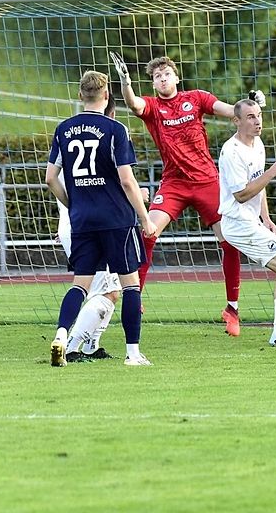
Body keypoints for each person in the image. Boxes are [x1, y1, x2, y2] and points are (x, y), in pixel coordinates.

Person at [111, 52, 244, 337]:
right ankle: (136, 297)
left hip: (207, 181)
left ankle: (232, 309)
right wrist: (125, 81)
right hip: (174, 183)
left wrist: (249, 107)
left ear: (176, 77)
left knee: (229, 240)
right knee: (147, 232)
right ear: (154, 83)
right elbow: (133, 104)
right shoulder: (153, 107)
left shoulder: (196, 98)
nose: (162, 79)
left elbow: (230, 110)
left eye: (166, 74)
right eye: (157, 76)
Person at [45, 70, 157, 367]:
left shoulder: (63, 128)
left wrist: (72, 203)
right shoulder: (115, 130)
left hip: (82, 220)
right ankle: (133, 353)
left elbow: (50, 178)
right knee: (130, 285)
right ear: (106, 95)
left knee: (79, 285)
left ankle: (60, 335)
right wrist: (144, 218)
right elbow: (127, 181)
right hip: (116, 220)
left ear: (81, 95)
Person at [217, 98, 276, 347]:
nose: (257, 120)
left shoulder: (257, 143)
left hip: (251, 221)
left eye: (258, 115)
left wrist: (266, 218)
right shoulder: (232, 151)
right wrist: (272, 172)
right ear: (236, 121)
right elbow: (241, 195)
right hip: (238, 223)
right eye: (250, 117)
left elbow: (259, 185)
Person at [53, 94, 126, 362]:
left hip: (74, 222)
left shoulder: (65, 136)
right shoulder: (108, 139)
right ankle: (71, 346)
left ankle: (90, 345)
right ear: (110, 114)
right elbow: (119, 185)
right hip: (98, 224)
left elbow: (50, 178)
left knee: (104, 289)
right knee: (106, 290)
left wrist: (70, 206)